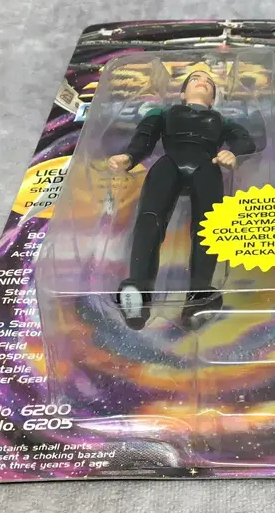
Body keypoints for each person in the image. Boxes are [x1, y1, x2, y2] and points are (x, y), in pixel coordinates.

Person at [108, 70, 256, 329]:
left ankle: (199, 294)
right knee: (149, 220)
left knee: (208, 227)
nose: (203, 82)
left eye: (209, 83)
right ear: (182, 93)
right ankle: (139, 288)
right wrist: (130, 157)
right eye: (196, 79)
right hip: (169, 165)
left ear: (213, 99)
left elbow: (245, 140)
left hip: (207, 166)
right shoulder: (163, 113)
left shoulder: (221, 120)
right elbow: (145, 137)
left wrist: (233, 153)